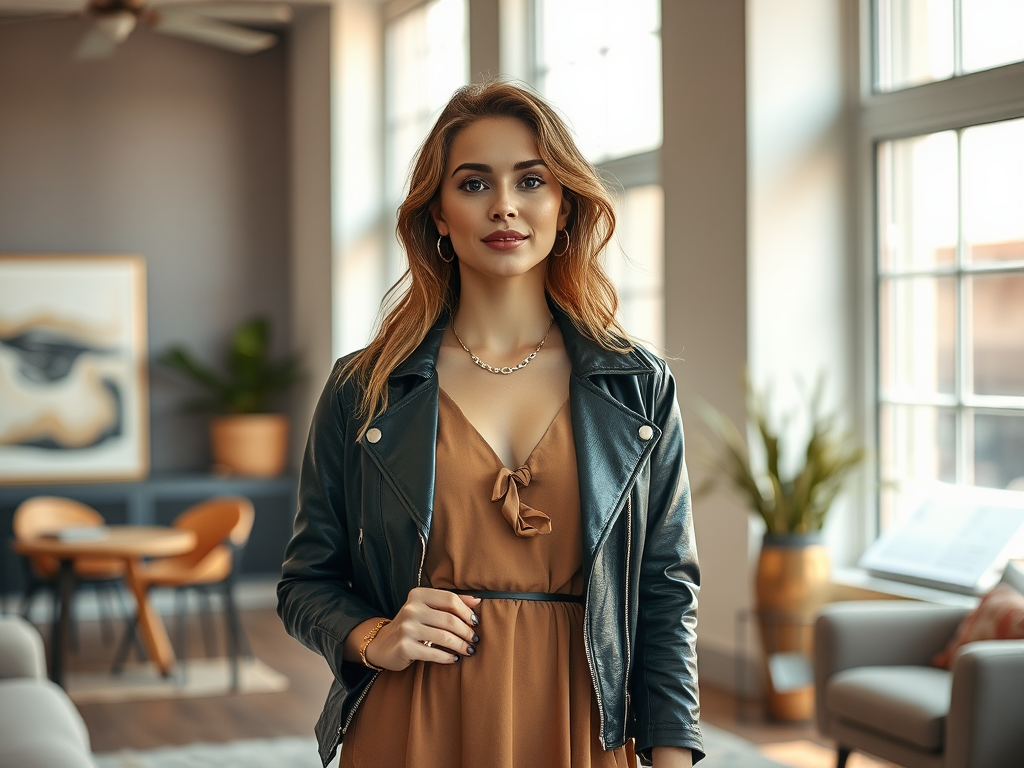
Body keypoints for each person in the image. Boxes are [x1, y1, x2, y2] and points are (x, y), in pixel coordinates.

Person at [277, 81, 702, 768]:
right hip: (412, 722)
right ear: (437, 215)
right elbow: (305, 582)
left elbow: (665, 593)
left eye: (530, 180)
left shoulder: (637, 385)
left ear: (563, 206)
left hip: (581, 725)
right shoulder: (366, 387)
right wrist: (373, 634)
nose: (504, 204)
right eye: (474, 183)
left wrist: (673, 756)